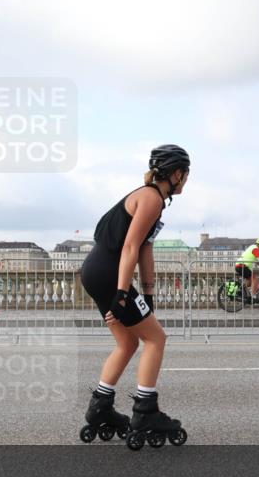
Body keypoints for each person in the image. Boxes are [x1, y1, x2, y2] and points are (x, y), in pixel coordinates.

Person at [79, 144, 190, 447]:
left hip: (95, 271)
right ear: (177, 174)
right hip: (110, 274)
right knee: (156, 339)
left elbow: (145, 249)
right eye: (187, 174)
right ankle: (145, 410)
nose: (187, 180)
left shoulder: (148, 198)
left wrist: (149, 293)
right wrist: (121, 292)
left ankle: (99, 407)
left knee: (127, 342)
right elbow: (129, 247)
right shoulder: (152, 198)